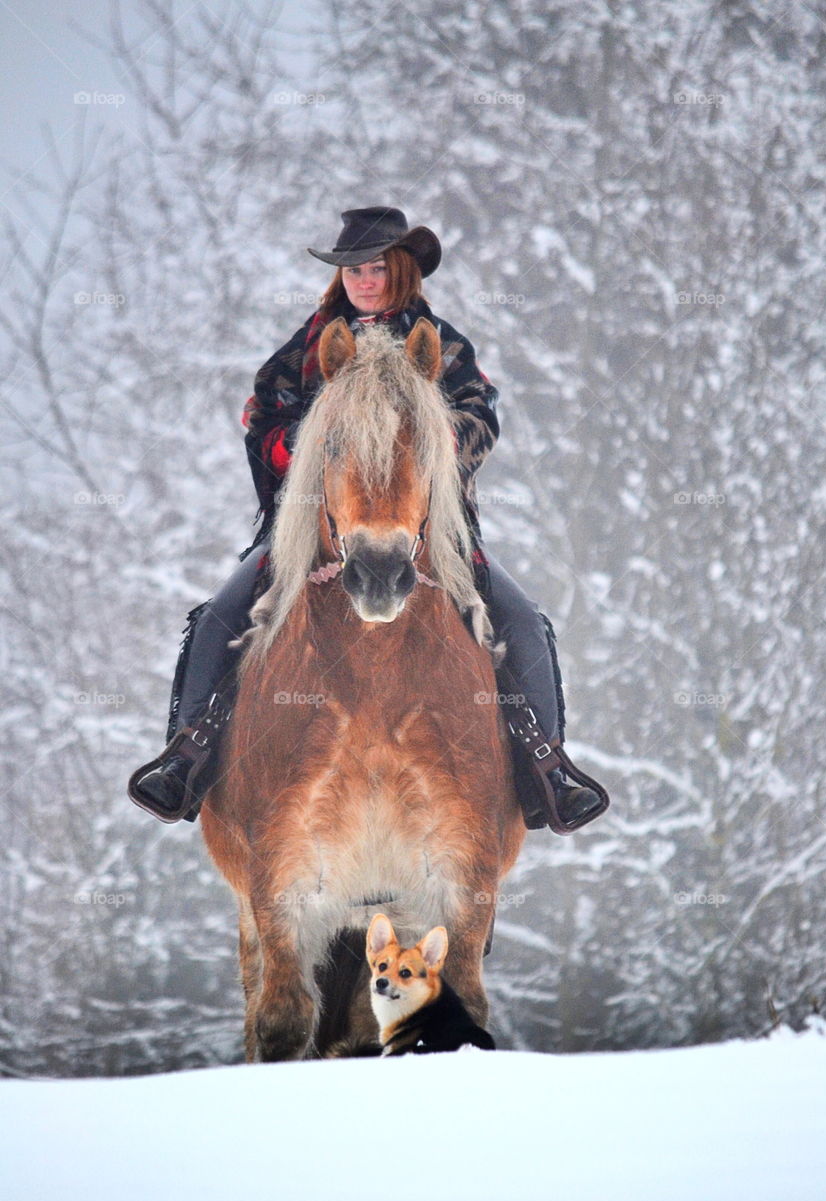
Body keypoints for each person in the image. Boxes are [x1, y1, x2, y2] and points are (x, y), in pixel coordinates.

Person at [129, 207, 605, 832]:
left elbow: (480, 418)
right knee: (219, 616)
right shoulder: (310, 345)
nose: (362, 278)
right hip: (317, 525)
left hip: (424, 528)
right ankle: (186, 755)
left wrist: (424, 442)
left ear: (400, 270)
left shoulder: (442, 344)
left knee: (523, 623)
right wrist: (317, 449)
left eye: (375, 266)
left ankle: (550, 771)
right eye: (351, 268)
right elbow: (261, 416)